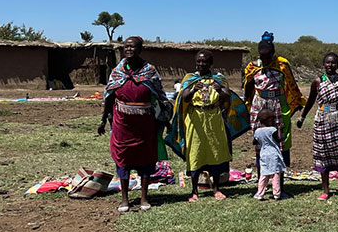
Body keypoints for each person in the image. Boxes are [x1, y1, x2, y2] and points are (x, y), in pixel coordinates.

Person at [98, 36, 172, 213]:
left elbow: (161, 96)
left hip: (145, 123)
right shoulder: (117, 72)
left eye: (132, 47)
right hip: (122, 124)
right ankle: (125, 199)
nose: (128, 50)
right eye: (126, 47)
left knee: (146, 158)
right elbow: (109, 97)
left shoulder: (149, 71)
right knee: (123, 158)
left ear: (140, 49)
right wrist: (102, 121)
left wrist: (166, 119)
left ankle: (144, 197)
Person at [165, 50, 250, 202]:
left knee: (215, 151)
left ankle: (216, 188)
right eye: (199, 61)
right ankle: (194, 191)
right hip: (195, 119)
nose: (201, 64)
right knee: (195, 152)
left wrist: (219, 90)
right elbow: (183, 98)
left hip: (214, 118)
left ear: (211, 63)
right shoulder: (190, 78)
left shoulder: (218, 78)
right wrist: (193, 89)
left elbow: (227, 96)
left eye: (204, 61)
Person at [243, 32, 306, 197]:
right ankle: (261, 187)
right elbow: (247, 86)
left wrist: (297, 102)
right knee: (260, 144)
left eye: (268, 56)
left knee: (280, 143)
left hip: (278, 103)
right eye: (262, 57)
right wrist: (248, 103)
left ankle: (280, 187)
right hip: (259, 104)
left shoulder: (282, 65)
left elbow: (291, 84)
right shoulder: (252, 67)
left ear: (273, 53)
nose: (265, 60)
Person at [297, 52, 338, 200]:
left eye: (334, 63)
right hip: (323, 120)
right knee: (323, 154)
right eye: (328, 62)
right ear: (323, 65)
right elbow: (310, 100)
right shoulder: (317, 81)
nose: (331, 65)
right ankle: (326, 191)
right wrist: (302, 117)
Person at [254, 108, 285, 200]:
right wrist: (279, 129)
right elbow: (278, 139)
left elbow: (254, 142)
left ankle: (260, 193)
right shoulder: (272, 130)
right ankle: (276, 193)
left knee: (264, 175)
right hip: (273, 154)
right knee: (275, 174)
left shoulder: (257, 131)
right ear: (269, 120)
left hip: (263, 153)